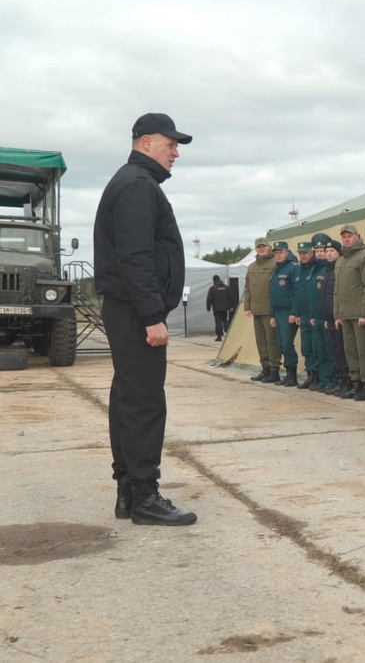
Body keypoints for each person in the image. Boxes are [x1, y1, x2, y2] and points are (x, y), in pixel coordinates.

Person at [93, 112, 196, 525]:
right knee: (144, 403)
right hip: (136, 311)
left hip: (127, 307)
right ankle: (145, 497)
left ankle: (128, 494)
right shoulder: (137, 186)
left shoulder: (134, 182)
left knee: (128, 400)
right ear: (146, 141)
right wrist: (153, 316)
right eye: (171, 144)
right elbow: (135, 256)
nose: (175, 153)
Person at [334, 224, 365, 401]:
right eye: (344, 236)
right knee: (350, 351)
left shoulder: (364, 257)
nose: (346, 239)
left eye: (350, 236)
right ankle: (356, 382)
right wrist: (337, 314)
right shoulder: (340, 260)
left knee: (363, 350)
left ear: (357, 237)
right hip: (345, 314)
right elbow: (337, 290)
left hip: (359, 314)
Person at [315, 236, 351, 395]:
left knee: (343, 352)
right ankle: (339, 381)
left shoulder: (340, 269)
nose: (328, 254)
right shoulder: (328, 271)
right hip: (329, 318)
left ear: (339, 253)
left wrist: (338, 315)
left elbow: (342, 294)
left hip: (339, 318)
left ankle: (347, 382)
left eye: (332, 251)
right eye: (326, 251)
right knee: (334, 351)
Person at [243, 237, 280, 382]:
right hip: (256, 309)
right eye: (259, 247)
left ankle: (274, 369)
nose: (261, 249)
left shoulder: (275, 263)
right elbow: (247, 288)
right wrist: (247, 306)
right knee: (261, 342)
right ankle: (265, 368)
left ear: (269, 247)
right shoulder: (251, 267)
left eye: (263, 246)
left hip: (269, 309)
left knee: (272, 341)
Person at [300, 237, 331, 392]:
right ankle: (319, 378)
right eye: (317, 251)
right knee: (316, 350)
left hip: (326, 316)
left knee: (328, 350)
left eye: (322, 250)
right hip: (314, 316)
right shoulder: (313, 269)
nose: (319, 254)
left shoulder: (329, 269)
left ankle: (330, 380)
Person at [268, 241, 300, 387]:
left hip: (288, 312)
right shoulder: (276, 270)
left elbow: (296, 292)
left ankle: (292, 375)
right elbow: (273, 294)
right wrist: (272, 315)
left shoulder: (293, 268)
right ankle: (287, 374)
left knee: (287, 343)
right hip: (278, 312)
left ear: (287, 252)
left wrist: (294, 312)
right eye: (276, 253)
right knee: (281, 345)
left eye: (281, 252)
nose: (278, 255)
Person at [291, 241, 321, 389]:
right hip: (303, 315)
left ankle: (318, 376)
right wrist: (296, 312)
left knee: (317, 347)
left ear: (312, 252)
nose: (302, 256)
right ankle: (310, 374)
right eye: (300, 253)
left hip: (314, 314)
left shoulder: (317, 268)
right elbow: (297, 293)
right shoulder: (298, 270)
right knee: (306, 347)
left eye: (305, 253)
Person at [205, 274, 233, 341]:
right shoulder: (227, 288)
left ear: (214, 280)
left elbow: (209, 299)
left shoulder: (212, 288)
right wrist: (231, 306)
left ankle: (219, 337)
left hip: (217, 309)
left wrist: (208, 307)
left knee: (218, 322)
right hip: (225, 308)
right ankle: (228, 334)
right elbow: (231, 297)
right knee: (225, 320)